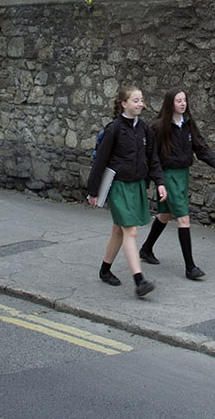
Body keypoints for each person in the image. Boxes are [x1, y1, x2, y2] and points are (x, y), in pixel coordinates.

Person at [87, 85, 167, 298]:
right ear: (124, 104)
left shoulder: (144, 130)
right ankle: (139, 280)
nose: (140, 104)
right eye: (136, 100)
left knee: (118, 231)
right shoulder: (114, 129)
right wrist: (93, 191)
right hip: (119, 186)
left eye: (141, 100)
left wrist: (160, 182)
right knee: (130, 231)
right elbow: (100, 160)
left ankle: (105, 270)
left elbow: (153, 159)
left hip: (137, 185)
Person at [139, 87, 215, 280]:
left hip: (183, 175)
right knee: (183, 218)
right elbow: (150, 155)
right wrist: (150, 180)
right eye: (179, 101)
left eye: (184, 100)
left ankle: (146, 249)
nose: (182, 103)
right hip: (167, 175)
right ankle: (190, 267)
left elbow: (200, 146)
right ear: (170, 103)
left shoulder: (188, 124)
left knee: (166, 214)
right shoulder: (160, 126)